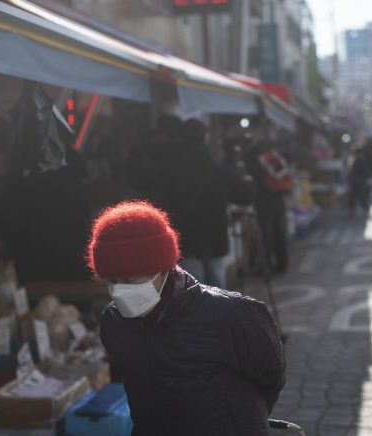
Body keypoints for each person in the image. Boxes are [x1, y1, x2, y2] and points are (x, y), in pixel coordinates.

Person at [87, 201, 286, 436]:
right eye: (112, 281)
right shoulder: (114, 322)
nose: (119, 291)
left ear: (164, 269)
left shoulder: (229, 312)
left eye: (130, 281)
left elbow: (270, 376)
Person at [129, 117, 255, 288]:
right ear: (205, 138)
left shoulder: (168, 173)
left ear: (180, 140)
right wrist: (249, 182)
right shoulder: (220, 171)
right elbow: (245, 197)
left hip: (185, 241)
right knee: (217, 290)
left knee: (193, 293)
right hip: (214, 240)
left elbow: (156, 207)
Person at [242, 139, 291, 274]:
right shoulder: (271, 154)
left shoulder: (249, 157)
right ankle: (282, 265)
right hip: (279, 201)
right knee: (280, 234)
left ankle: (266, 267)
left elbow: (251, 181)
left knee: (265, 236)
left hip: (263, 202)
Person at [346, 144, 372, 217]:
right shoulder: (359, 159)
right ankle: (357, 210)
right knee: (357, 196)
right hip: (358, 180)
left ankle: (359, 210)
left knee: (358, 196)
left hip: (358, 180)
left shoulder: (357, 159)